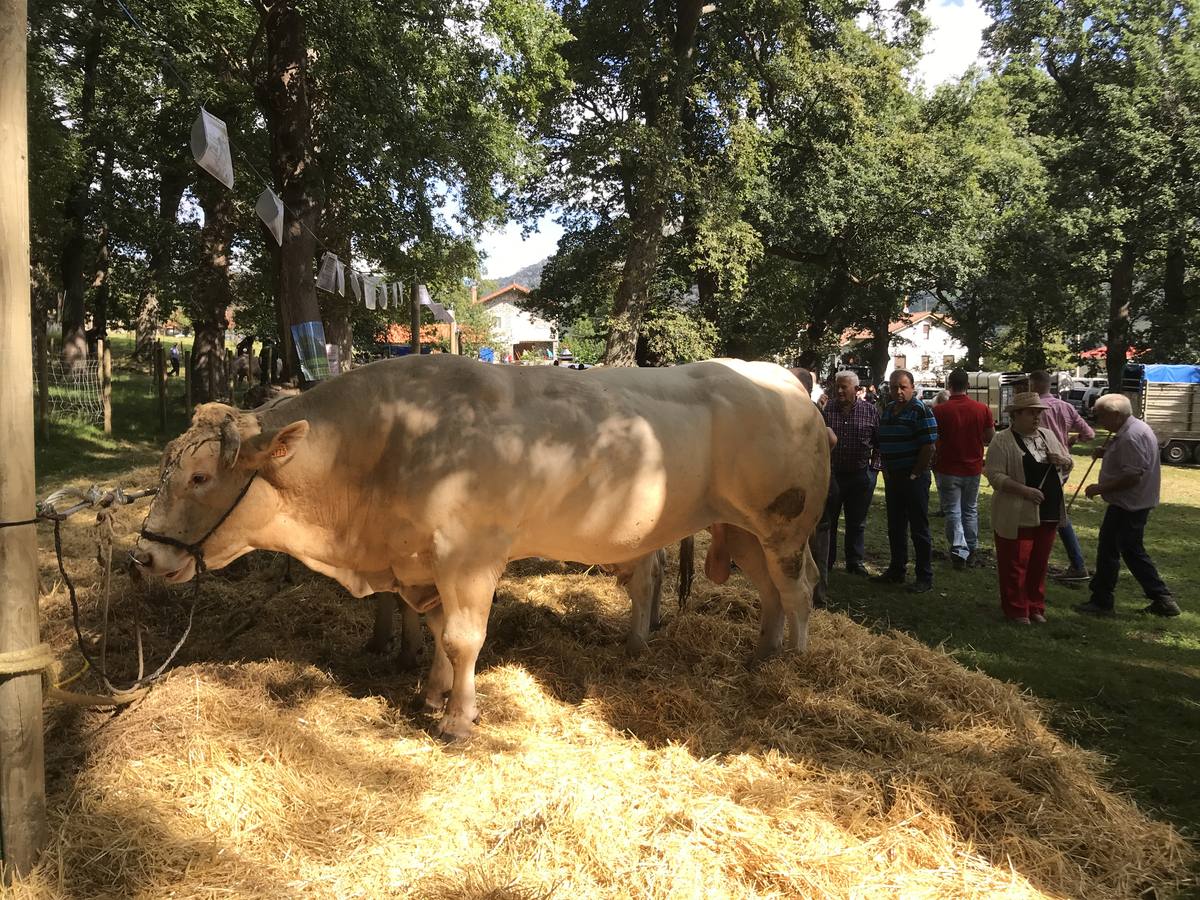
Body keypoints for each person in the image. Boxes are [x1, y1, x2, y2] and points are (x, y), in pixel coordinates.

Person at [1074, 394, 1181, 617]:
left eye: (1101, 415)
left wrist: (1099, 489)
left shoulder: (1130, 436)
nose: (1099, 420)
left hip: (1129, 504)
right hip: (1133, 502)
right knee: (1125, 549)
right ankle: (1159, 598)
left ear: (1115, 414)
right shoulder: (1133, 429)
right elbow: (1130, 462)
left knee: (1118, 550)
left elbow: (1132, 476)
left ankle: (1106, 601)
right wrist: (1108, 453)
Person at [984, 393, 1072, 624]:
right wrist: (1024, 491)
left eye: (1039, 412)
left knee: (1039, 562)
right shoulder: (1002, 440)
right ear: (1015, 415)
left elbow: (1067, 462)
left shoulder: (1048, 435)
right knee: (1016, 562)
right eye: (1031, 412)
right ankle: (1016, 608)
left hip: (1049, 509)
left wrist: (1062, 461)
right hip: (1016, 512)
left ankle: (1035, 606)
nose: (1037, 417)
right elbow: (994, 475)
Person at [873, 369, 938, 592]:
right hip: (893, 477)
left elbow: (929, 446)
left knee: (919, 528)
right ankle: (897, 569)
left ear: (912, 387)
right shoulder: (889, 410)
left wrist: (915, 473)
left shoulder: (921, 410)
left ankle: (924, 577)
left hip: (914, 478)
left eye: (903, 387)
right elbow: (883, 441)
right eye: (894, 387)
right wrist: (887, 470)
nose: (898, 391)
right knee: (896, 526)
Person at [1028, 370, 1093, 580]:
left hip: (1043, 465)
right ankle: (1066, 562)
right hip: (1064, 465)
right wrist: (1071, 440)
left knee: (1053, 514)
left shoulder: (1036, 409)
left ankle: (1077, 564)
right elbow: (1089, 434)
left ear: (1034, 385)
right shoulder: (1066, 407)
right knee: (1052, 511)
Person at [932, 368, 995, 569]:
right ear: (968, 385)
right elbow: (989, 436)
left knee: (952, 511)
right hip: (973, 467)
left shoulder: (939, 411)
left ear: (949, 386)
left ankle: (959, 550)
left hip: (947, 467)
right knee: (970, 510)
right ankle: (972, 548)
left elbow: (933, 439)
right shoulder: (982, 409)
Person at [822, 370, 879, 577]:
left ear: (856, 389)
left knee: (856, 521)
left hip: (860, 475)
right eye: (837, 386)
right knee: (830, 519)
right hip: (833, 475)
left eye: (843, 387)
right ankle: (826, 560)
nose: (839, 390)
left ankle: (854, 562)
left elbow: (878, 442)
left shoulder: (870, 411)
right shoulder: (827, 410)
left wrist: (873, 470)